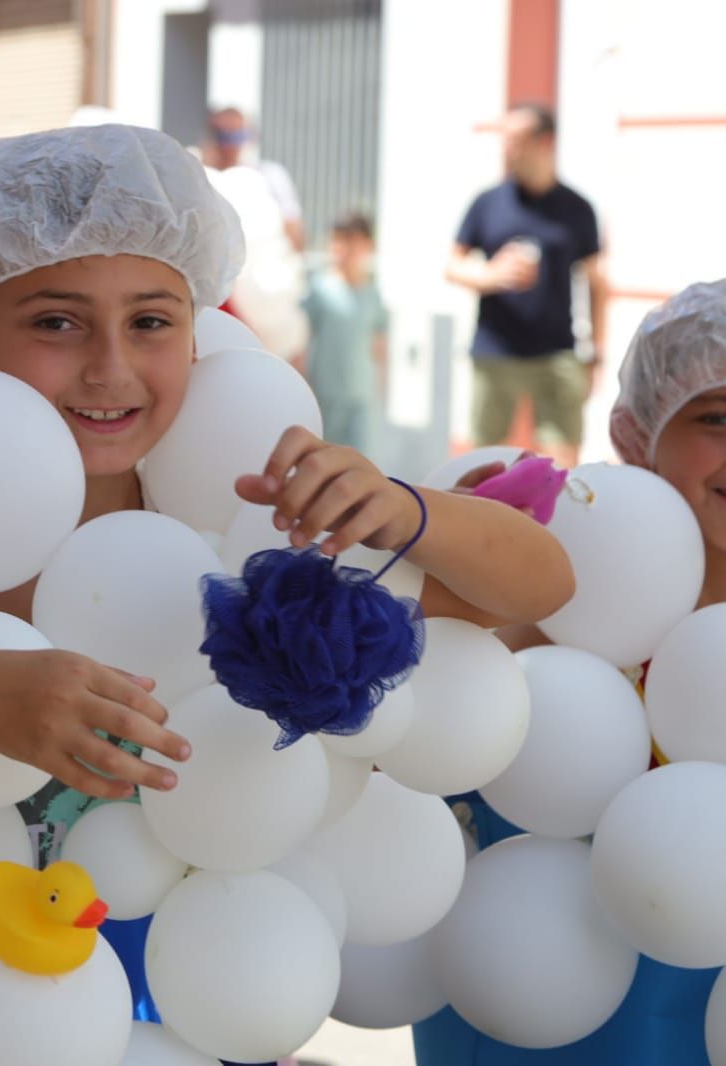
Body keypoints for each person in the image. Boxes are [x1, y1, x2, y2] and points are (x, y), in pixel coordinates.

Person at [0, 123, 575, 1059]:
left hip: (177, 1014)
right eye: (55, 322)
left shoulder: (238, 532)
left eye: (150, 321)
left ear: (199, 330)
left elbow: (535, 586)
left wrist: (409, 507)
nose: (108, 367)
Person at [414, 280, 726, 1065]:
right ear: (638, 428)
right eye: (716, 418)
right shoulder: (559, 599)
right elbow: (427, 698)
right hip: (526, 1016)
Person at [445, 104, 607, 469]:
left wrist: (595, 353)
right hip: (495, 352)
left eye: (514, 140)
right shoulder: (488, 203)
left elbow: (597, 283)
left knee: (562, 465)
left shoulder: (577, 208)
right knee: (482, 463)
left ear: (545, 142)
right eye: (504, 140)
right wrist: (491, 275)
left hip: (557, 354)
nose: (506, 149)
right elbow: (452, 266)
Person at [300, 212, 388, 454]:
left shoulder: (373, 294)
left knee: (358, 462)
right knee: (322, 457)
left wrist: (382, 391)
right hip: (324, 395)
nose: (345, 250)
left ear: (368, 247)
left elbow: (380, 344)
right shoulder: (319, 290)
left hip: (360, 397)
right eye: (339, 241)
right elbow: (302, 340)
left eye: (353, 242)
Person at [204, 107, 305, 253]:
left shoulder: (271, 175)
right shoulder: (199, 174)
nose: (230, 146)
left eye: (237, 136)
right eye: (223, 136)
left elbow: (293, 227)